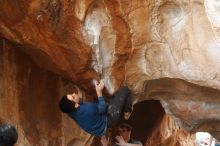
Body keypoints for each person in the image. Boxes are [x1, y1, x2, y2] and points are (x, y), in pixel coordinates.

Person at [59, 79, 132, 137]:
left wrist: (79, 93)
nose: (74, 94)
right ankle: (127, 111)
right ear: (76, 105)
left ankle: (115, 103)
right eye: (73, 97)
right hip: (107, 121)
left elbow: (79, 105)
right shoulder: (88, 108)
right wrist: (99, 91)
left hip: (96, 129)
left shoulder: (69, 111)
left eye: (71, 94)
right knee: (125, 89)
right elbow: (103, 108)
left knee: (112, 99)